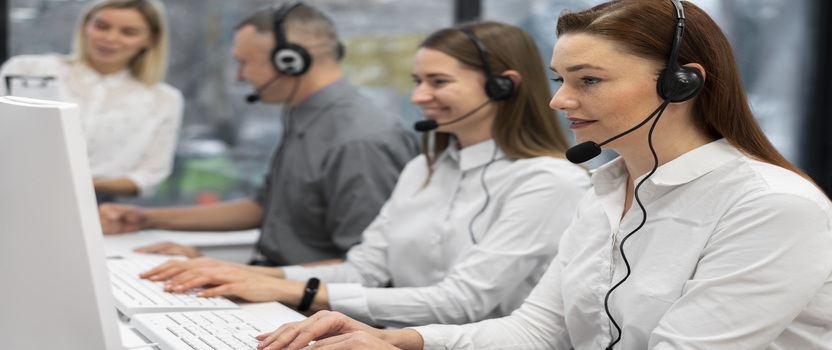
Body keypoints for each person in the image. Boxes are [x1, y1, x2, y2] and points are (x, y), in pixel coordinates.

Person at [255, 0, 832, 349]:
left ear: (682, 82)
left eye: (588, 80)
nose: (561, 102)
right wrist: (392, 339)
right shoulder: (605, 191)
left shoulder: (772, 206)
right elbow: (536, 331)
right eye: (559, 79)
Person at [139, 21, 590, 328]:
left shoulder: (548, 181)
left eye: (437, 82)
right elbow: (365, 269)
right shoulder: (424, 167)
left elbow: (459, 302)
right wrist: (237, 274)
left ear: (503, 85)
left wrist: (284, 289)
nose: (418, 96)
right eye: (417, 81)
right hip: (383, 336)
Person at [98, 3, 419, 266]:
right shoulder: (307, 117)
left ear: (290, 61)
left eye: (244, 63)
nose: (239, 77)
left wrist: (227, 271)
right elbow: (264, 207)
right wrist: (145, 218)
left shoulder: (358, 140)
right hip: (278, 288)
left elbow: (366, 269)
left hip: (318, 313)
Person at [0, 0, 182, 201]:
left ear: (151, 39)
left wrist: (81, 184)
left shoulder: (164, 99)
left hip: (96, 205)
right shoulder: (26, 70)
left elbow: (149, 175)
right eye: (101, 26)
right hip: (11, 193)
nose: (110, 38)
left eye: (128, 32)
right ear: (86, 26)